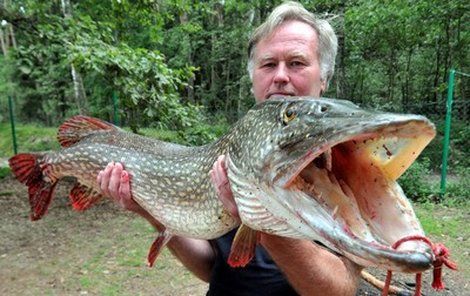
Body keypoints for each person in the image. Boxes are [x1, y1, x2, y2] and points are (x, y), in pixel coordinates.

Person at [97, 2, 362, 295]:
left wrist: (260, 217)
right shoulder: (231, 154)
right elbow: (212, 269)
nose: (281, 76)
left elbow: (341, 290)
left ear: (323, 79)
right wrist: (148, 211)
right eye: (269, 64)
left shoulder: (348, 165)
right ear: (253, 81)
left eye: (297, 63)